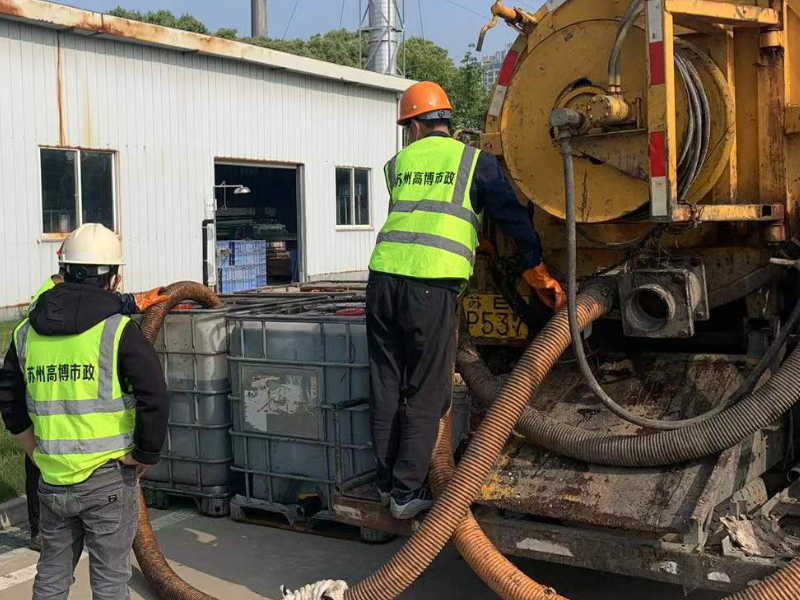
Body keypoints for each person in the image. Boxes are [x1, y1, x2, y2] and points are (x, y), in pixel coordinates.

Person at [367, 81, 566, 520]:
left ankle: (385, 486)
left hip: (382, 280)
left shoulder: (396, 164)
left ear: (415, 125)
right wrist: (535, 269)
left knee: (386, 383)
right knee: (427, 388)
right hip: (431, 286)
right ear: (446, 121)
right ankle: (405, 493)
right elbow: (513, 218)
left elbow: (420, 214)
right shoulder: (477, 162)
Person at [0, 223, 169, 599]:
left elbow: (8, 400)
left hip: (53, 480)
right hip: (108, 478)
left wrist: (34, 450)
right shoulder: (118, 331)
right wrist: (144, 454)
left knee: (52, 575)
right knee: (110, 579)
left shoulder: (26, 330)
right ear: (115, 277)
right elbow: (154, 396)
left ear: (63, 270)